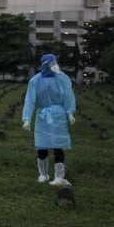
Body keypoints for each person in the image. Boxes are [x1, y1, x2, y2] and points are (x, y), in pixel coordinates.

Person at [21, 54, 77, 186]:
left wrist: (70, 112)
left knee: (58, 146)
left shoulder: (62, 78)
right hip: (43, 116)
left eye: (55, 63)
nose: (55, 66)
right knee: (42, 146)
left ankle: (59, 177)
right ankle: (43, 174)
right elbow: (29, 100)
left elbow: (68, 95)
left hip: (59, 115)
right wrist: (27, 118)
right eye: (52, 63)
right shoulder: (35, 80)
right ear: (46, 64)